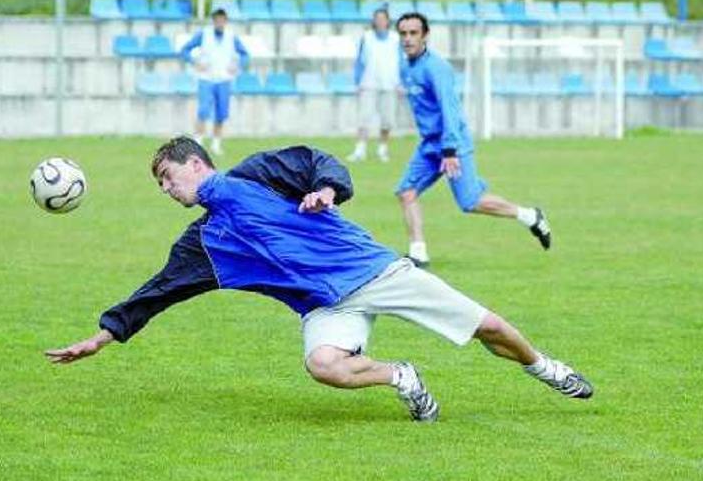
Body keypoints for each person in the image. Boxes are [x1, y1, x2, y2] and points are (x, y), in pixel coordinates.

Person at [45, 137, 593, 423]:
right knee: (323, 365)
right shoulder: (202, 244)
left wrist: (328, 190)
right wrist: (103, 334)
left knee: (488, 328)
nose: (166, 189)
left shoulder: (256, 174)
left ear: (195, 165)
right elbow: (158, 292)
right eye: (160, 184)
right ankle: (402, 377)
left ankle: (546, 368)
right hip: (325, 307)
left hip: (373, 270)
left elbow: (318, 162)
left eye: (167, 177)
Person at [394, 13, 551, 268]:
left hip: (451, 145)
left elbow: (450, 109)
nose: (408, 38)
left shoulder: (437, 68)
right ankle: (418, 252)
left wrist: (450, 149)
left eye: (413, 33)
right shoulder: (405, 66)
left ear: (425, 36)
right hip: (429, 146)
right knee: (406, 192)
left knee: (470, 202)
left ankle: (530, 216)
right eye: (403, 33)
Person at [179, 8, 250, 156]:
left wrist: (237, 65)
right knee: (203, 110)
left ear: (225, 21)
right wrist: (194, 61)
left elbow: (245, 55)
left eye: (222, 19)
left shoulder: (231, 36)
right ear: (213, 21)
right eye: (217, 19)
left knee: (221, 113)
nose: (219, 22)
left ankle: (216, 144)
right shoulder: (204, 34)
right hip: (206, 78)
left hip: (224, 79)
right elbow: (185, 50)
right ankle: (197, 144)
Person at [347, 8, 401, 164]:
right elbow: (359, 61)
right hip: (368, 83)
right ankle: (360, 150)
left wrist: (401, 83)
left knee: (387, 120)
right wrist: (358, 82)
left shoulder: (395, 39)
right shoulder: (367, 37)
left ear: (387, 21)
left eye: (383, 18)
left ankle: (382, 149)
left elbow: (401, 62)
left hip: (390, 84)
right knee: (364, 118)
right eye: (377, 18)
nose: (380, 21)